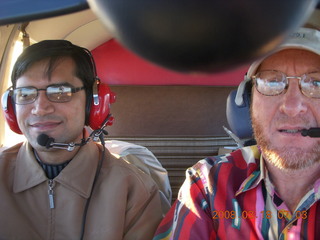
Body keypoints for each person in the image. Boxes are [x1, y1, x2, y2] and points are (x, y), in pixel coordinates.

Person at [153, 26, 320, 240]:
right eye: (272, 82)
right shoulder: (207, 185)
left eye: (316, 83)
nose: (292, 106)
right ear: (247, 100)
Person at [0, 40, 164, 239]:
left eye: (60, 92)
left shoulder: (134, 189)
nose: (40, 108)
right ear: (10, 106)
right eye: (25, 94)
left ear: (93, 103)